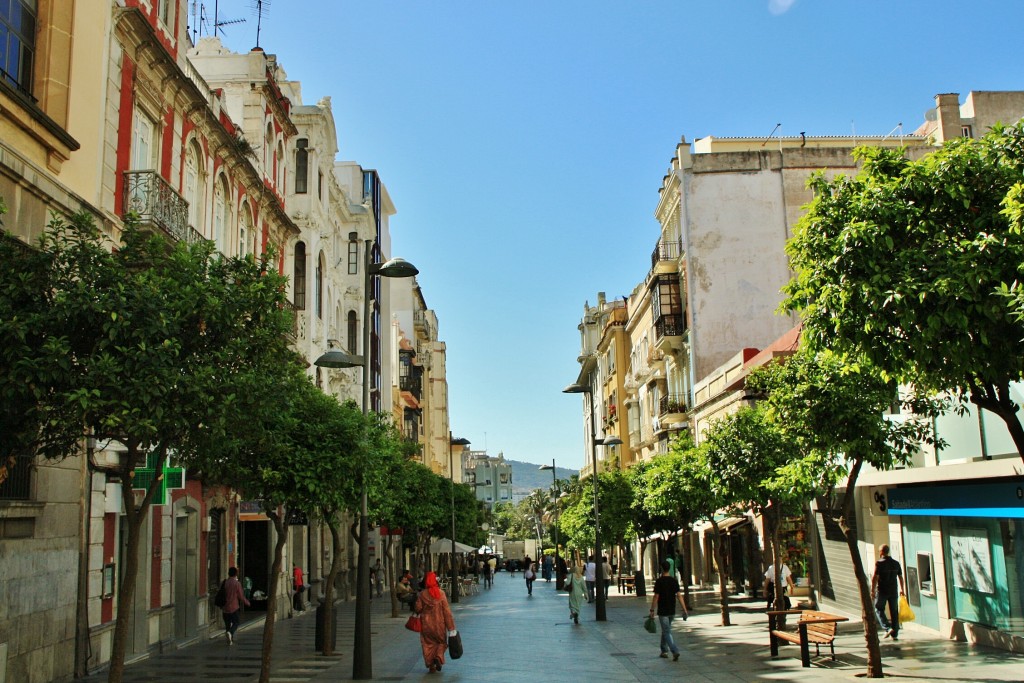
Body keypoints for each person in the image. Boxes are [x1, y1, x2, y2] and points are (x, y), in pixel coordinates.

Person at [415, 571, 457, 674]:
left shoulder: (422, 594)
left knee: (428, 644)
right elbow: (446, 612)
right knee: (441, 643)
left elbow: (418, 608)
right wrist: (451, 627)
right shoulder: (441, 593)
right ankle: (438, 657)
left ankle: (431, 666)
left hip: (426, 625)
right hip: (439, 624)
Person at [649, 559, 688, 661]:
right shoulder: (673, 581)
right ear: (669, 568)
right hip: (672, 610)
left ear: (662, 569)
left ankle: (674, 651)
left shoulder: (659, 581)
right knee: (666, 630)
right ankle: (663, 650)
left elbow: (656, 597)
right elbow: (679, 596)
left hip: (663, 611)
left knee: (666, 631)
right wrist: (684, 609)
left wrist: (652, 609)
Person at [872, 544, 906, 640]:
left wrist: (872, 591)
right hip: (893, 591)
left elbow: (875, 578)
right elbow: (900, 577)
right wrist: (902, 589)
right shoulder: (896, 563)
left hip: (882, 590)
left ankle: (887, 628)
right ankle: (895, 633)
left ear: (881, 552)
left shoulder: (879, 563)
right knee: (894, 611)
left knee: (878, 608)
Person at [221, 566, 250, 645]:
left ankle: (229, 640)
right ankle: (230, 633)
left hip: (225, 608)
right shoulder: (237, 584)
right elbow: (241, 596)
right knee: (236, 622)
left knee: (227, 624)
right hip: (234, 607)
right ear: (236, 574)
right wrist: (247, 602)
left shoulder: (225, 582)